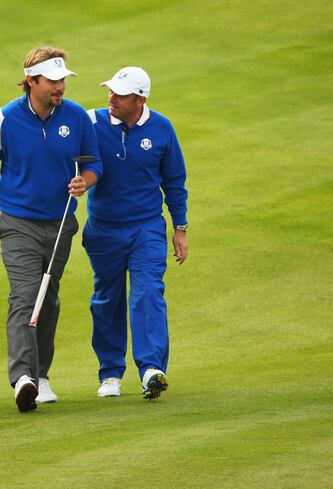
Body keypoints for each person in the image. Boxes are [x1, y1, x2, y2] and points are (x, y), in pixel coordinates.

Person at [0, 47, 102, 412]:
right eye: (52, 80)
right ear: (31, 81)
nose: (60, 86)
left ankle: (42, 374)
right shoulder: (3, 120)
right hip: (18, 224)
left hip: (62, 222)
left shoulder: (78, 117)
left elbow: (94, 162)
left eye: (63, 79)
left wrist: (86, 180)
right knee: (26, 295)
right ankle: (24, 378)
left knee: (48, 299)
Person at [84, 67, 188, 401]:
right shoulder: (92, 123)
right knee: (106, 299)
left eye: (120, 94)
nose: (111, 98)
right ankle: (110, 373)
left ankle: (151, 370)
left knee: (148, 292)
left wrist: (180, 228)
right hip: (103, 230)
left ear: (140, 98)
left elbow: (174, 182)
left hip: (146, 228)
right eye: (110, 91)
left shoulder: (162, 128)